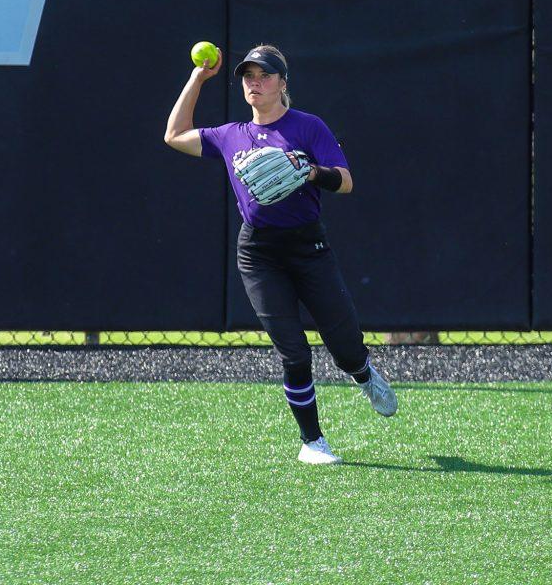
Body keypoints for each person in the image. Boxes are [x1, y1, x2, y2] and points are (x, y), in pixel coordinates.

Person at [164, 43, 397, 465]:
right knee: (294, 351)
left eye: (264, 75)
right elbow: (174, 136)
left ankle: (363, 373)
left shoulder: (307, 127)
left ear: (282, 83)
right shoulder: (231, 135)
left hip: (309, 248)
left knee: (345, 345)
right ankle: (313, 442)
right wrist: (198, 78)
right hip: (259, 253)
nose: (255, 83)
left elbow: (345, 182)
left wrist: (310, 170)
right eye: (248, 76)